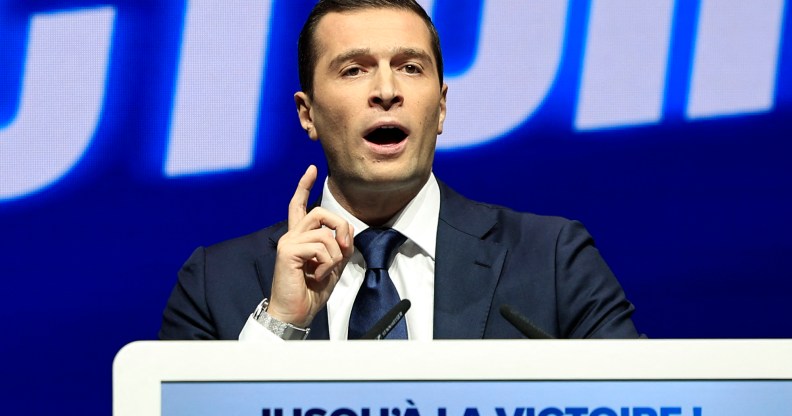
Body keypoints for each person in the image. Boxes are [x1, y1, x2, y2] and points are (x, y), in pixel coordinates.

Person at [159, 0, 640, 341]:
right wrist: (283, 326)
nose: (386, 90)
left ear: (442, 107)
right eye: (354, 70)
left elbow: (641, 399)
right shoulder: (215, 283)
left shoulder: (552, 260)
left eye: (410, 67)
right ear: (307, 114)